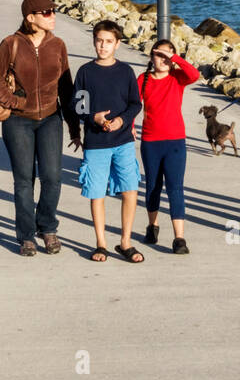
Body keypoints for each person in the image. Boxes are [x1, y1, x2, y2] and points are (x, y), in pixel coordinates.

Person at [0, 0, 80, 257]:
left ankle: (47, 227)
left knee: (52, 177)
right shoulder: (11, 43)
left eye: (53, 11)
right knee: (24, 181)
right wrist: (14, 103)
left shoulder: (58, 45)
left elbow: (66, 86)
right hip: (18, 122)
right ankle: (26, 236)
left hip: (51, 118)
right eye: (47, 12)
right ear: (31, 18)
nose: (53, 16)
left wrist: (74, 127)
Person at [72, 20, 144, 262]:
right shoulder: (85, 72)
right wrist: (94, 117)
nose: (103, 46)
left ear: (117, 44)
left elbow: (136, 104)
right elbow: (78, 106)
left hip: (123, 141)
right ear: (94, 41)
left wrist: (122, 121)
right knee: (96, 192)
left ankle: (125, 242)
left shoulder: (126, 72)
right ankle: (101, 243)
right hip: (96, 143)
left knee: (130, 189)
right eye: (99, 41)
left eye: (108, 42)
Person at [137, 39, 200, 255]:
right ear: (151, 57)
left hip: (175, 141)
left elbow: (194, 74)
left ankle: (179, 238)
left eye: (167, 56)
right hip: (150, 141)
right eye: (158, 55)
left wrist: (174, 58)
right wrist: (127, 126)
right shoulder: (143, 79)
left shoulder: (177, 78)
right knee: (153, 186)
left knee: (175, 188)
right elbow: (132, 103)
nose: (162, 60)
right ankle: (152, 225)